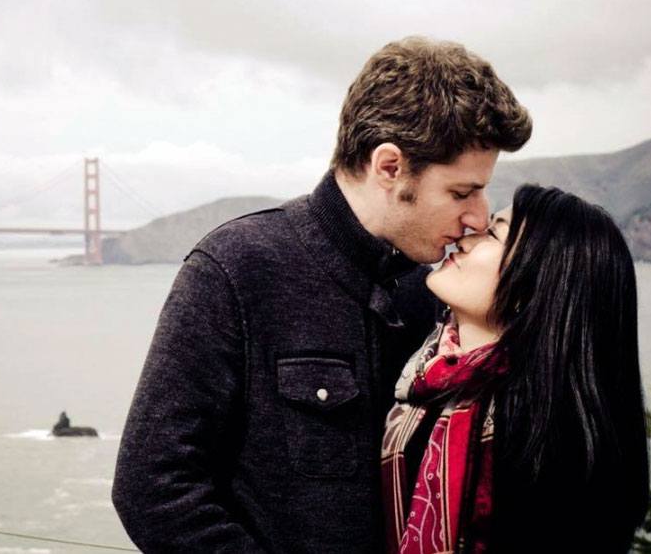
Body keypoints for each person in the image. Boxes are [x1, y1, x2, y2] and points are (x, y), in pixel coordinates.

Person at [112, 36, 532, 552]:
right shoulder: (236, 268)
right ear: (390, 167)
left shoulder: (439, 291)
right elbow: (152, 486)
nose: (478, 216)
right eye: (462, 192)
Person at [382, 185, 650, 553]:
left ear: (536, 288)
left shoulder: (551, 449)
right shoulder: (422, 375)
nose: (466, 235)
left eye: (492, 233)